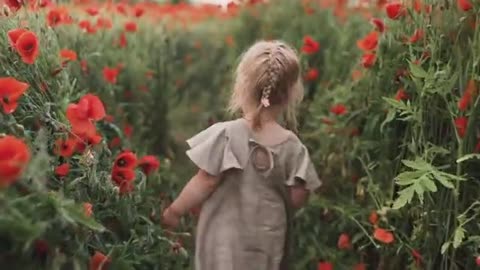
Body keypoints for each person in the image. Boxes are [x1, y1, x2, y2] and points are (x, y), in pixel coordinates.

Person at [162, 40, 322, 270]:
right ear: (291, 94)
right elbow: (297, 196)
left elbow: (205, 181)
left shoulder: (227, 135)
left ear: (243, 86)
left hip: (224, 240)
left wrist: (174, 211)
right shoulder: (292, 146)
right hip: (268, 241)